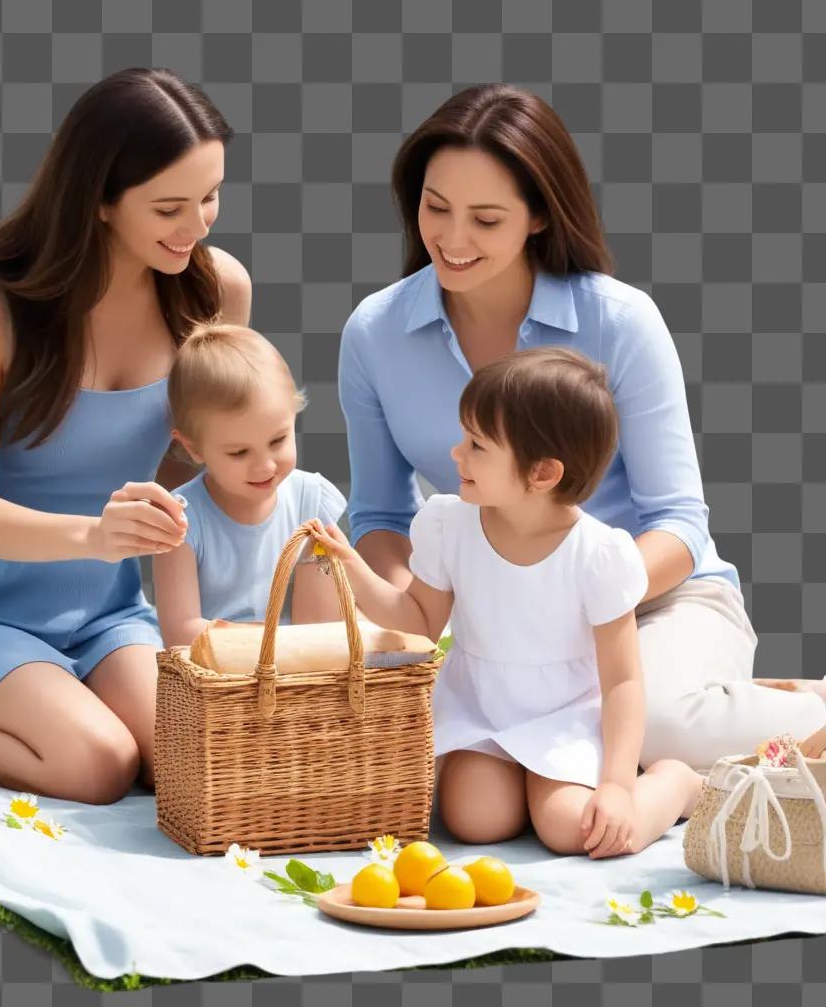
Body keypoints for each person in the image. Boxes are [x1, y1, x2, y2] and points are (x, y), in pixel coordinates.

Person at [336, 82, 825, 775]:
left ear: (539, 216)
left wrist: (569, 599)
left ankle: (798, 711)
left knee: (645, 722)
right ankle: (732, 712)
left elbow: (679, 523)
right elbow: (381, 514)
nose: (450, 238)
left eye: (486, 218)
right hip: (490, 622)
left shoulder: (619, 322)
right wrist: (417, 615)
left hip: (657, 602)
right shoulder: (375, 335)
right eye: (435, 207)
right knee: (416, 754)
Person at [0, 68, 252, 804]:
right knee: (97, 766)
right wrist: (96, 537)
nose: (197, 227)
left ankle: (68, 703)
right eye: (169, 207)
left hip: (106, 615)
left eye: (210, 197)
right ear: (98, 199)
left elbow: (206, 448)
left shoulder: (214, 290)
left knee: (191, 767)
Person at [309, 348, 704, 859]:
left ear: (541, 474)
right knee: (474, 820)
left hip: (564, 713)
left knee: (570, 830)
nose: (456, 454)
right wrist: (350, 567)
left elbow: (623, 680)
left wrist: (615, 786)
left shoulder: (599, 555)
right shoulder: (450, 524)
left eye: (476, 444)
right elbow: (421, 624)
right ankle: (524, 787)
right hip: (482, 708)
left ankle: (674, 785)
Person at [153, 324, 347, 647]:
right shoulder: (181, 520)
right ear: (193, 448)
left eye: (278, 440)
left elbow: (319, 626)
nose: (266, 466)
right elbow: (181, 632)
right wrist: (271, 639)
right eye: (239, 452)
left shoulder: (310, 501)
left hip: (297, 674)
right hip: (217, 683)